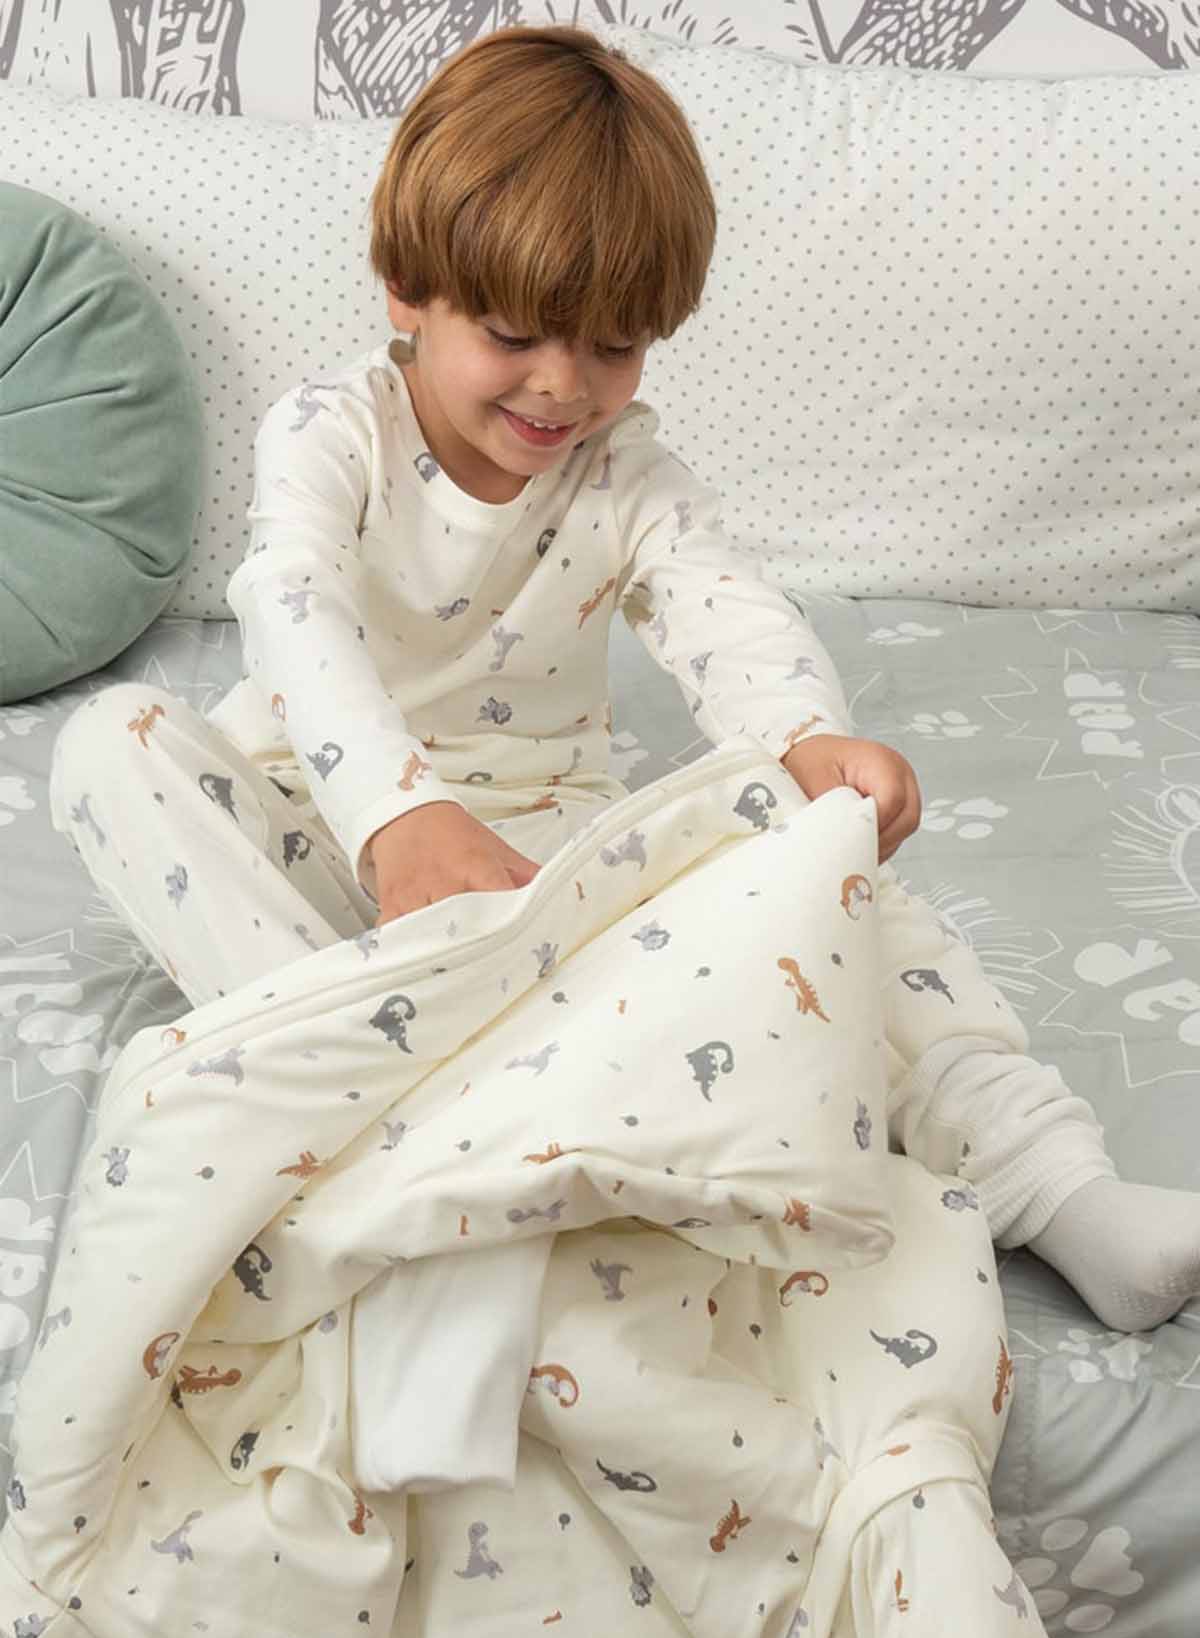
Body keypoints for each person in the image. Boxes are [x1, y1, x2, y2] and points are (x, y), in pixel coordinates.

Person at [52, 25, 1196, 1347]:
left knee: (848, 892)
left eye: (612, 346)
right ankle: (387, 1109)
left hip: (548, 877)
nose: (564, 386)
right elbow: (290, 603)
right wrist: (396, 814)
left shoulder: (625, 475)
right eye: (515, 333)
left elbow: (725, 611)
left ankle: (1061, 1193)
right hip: (335, 853)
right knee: (113, 744)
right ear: (405, 289)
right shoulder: (330, 432)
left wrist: (808, 739)